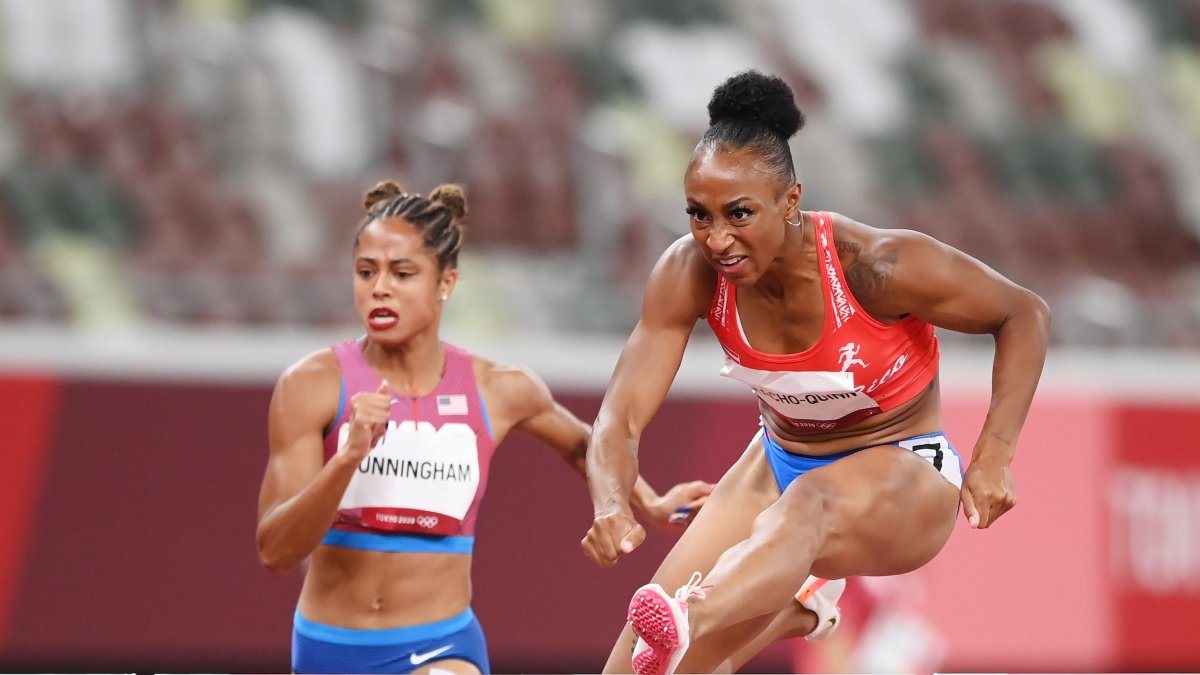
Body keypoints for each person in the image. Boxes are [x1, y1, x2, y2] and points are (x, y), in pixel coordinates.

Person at [581, 70, 1051, 674]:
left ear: (792, 202)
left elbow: (1024, 314)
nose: (718, 239)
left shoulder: (874, 266)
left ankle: (696, 618)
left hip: (905, 466)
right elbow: (619, 416)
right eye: (699, 214)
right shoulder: (688, 272)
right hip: (780, 459)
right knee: (634, 669)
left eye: (739, 214)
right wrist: (610, 500)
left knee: (792, 522)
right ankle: (795, 603)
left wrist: (995, 452)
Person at [255, 180, 714, 675]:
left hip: (439, 646)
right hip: (330, 649)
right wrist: (346, 460)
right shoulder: (312, 386)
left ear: (446, 281)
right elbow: (277, 552)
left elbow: (584, 445)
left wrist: (649, 503)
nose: (380, 287)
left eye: (402, 272)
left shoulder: (499, 389)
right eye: (366, 272)